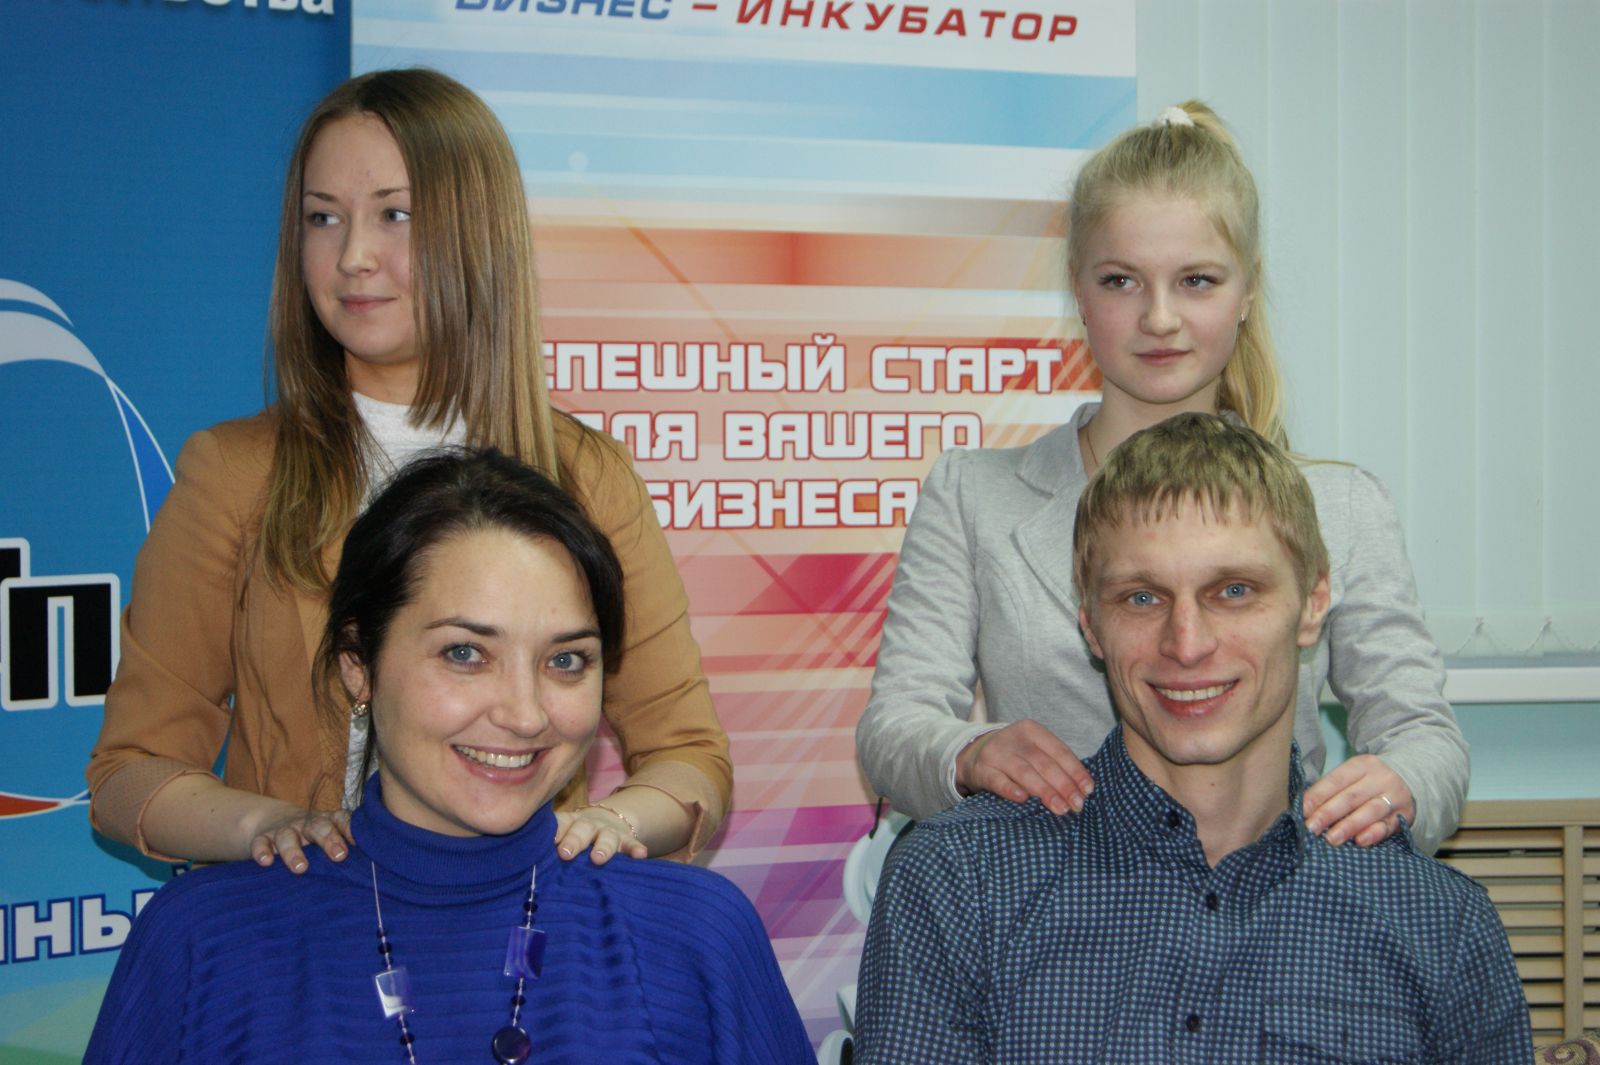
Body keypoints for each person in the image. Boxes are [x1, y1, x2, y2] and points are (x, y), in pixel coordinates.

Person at [86, 69, 730, 872]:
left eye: (395, 215)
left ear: (477, 232)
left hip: (525, 924)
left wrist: (603, 826)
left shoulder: (587, 476)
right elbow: (130, 773)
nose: (353, 257)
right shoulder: (236, 473)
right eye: (323, 218)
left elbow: (689, 758)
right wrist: (270, 826)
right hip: (308, 924)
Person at [857, 100, 1468, 852]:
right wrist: (971, 752)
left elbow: (1422, 735)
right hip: (1044, 897)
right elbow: (895, 728)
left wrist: (1399, 785)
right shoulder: (973, 496)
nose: (1159, 318)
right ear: (1078, 290)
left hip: (1270, 902)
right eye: (1121, 281)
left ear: (1247, 291)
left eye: (1197, 281)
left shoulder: (1340, 508)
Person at [84, 449, 813, 1065]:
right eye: (465, 653)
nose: (525, 714)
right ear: (357, 665)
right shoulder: (203, 942)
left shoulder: (695, 934)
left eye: (566, 660)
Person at [854, 414, 1530, 1062]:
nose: (1187, 643)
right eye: (1141, 598)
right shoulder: (960, 886)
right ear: (1090, 625)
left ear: (1314, 603)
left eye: (1233, 590)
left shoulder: (1437, 923)